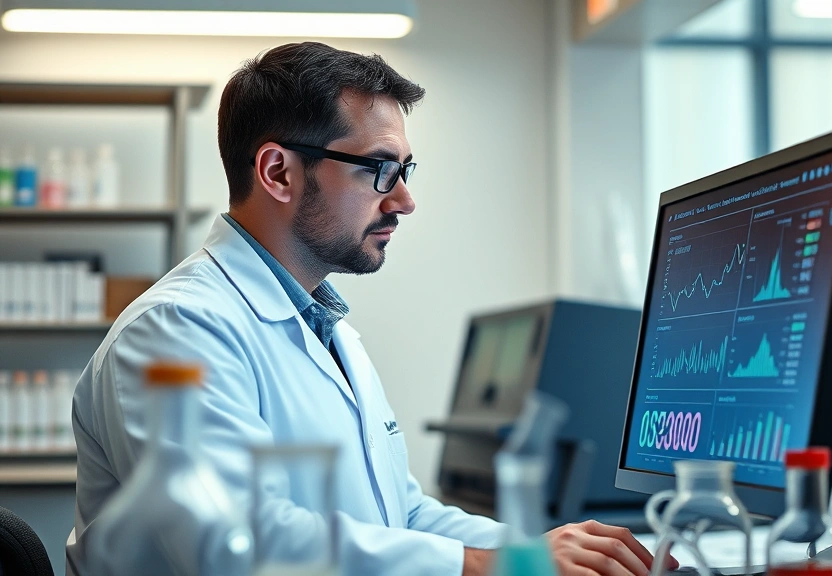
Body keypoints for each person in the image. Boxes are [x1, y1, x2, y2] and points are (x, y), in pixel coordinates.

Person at [66, 42, 674, 576]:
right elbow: (233, 546)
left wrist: (546, 554)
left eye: (405, 170)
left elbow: (399, 512)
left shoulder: (329, 330)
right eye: (382, 170)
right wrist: (493, 566)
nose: (405, 201)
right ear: (278, 171)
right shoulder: (176, 331)